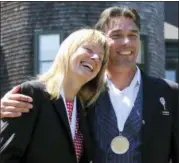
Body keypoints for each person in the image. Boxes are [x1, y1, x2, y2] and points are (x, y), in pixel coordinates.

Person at [1, 6, 179, 163]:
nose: (126, 42)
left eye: (133, 35)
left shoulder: (169, 93)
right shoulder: (82, 93)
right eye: (116, 35)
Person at [0, 28, 109, 163]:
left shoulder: (85, 109)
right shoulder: (32, 94)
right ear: (68, 50)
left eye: (101, 57)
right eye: (89, 49)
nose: (95, 58)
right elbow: (5, 156)